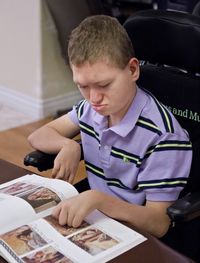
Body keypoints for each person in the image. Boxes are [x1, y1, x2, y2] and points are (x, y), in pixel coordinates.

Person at [28, 15, 192, 238]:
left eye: (104, 85)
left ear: (133, 70)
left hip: (133, 228)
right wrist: (69, 146)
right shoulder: (90, 109)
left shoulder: (163, 136)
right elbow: (39, 135)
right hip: (95, 211)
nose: (94, 98)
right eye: (83, 86)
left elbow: (159, 223)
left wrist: (99, 200)